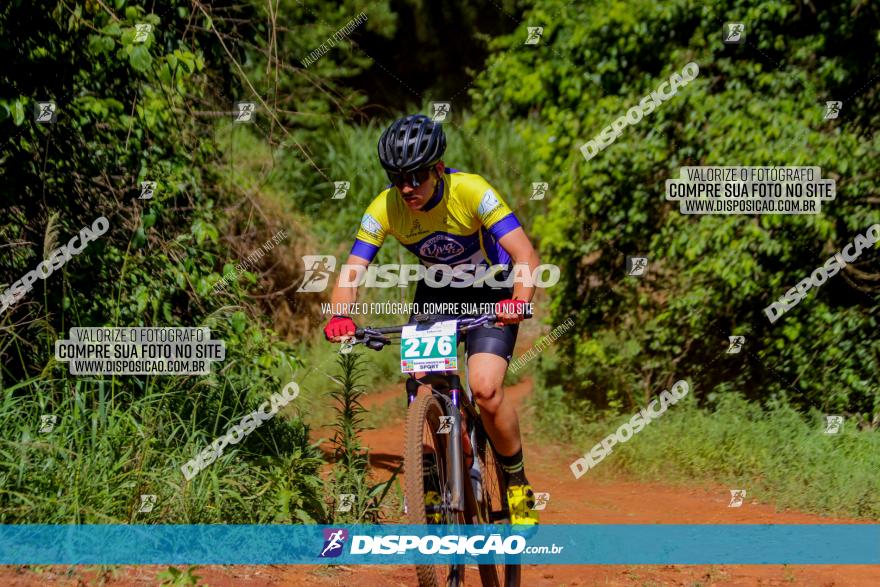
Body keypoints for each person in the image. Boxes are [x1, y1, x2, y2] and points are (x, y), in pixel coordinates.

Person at [323, 113, 541, 525]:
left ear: (438, 169)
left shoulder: (472, 190)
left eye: (417, 176)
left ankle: (516, 481)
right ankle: (448, 470)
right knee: (422, 392)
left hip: (491, 290)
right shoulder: (385, 207)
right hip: (437, 294)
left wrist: (518, 300)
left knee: (485, 389)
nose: (407, 188)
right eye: (397, 177)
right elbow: (352, 270)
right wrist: (339, 314)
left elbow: (526, 255)